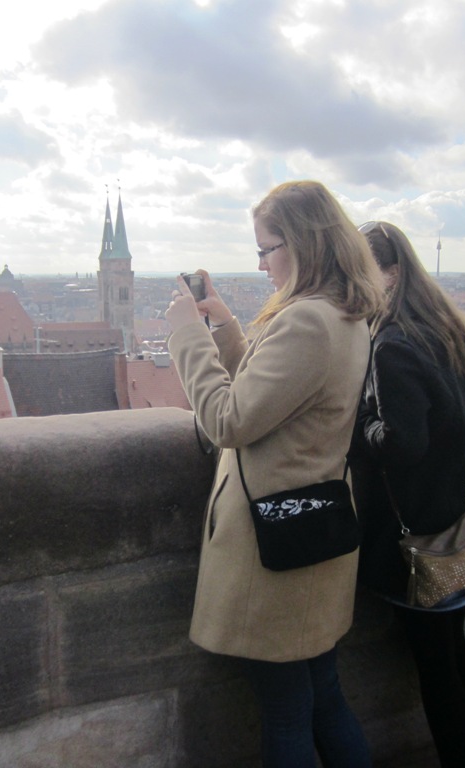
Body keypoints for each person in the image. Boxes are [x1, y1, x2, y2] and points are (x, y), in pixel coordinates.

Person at [165, 181, 382, 768]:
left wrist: (185, 334)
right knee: (323, 699)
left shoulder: (307, 320)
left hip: (277, 549)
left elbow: (228, 419)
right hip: (314, 538)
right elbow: (279, 395)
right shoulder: (343, 313)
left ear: (303, 243)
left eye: (266, 249)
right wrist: (227, 329)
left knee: (288, 714)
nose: (261, 263)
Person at [349, 220, 465, 767]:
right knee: (457, 654)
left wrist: (363, 420)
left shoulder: (393, 343)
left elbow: (402, 446)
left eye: (361, 270)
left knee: (438, 668)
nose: (353, 282)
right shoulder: (447, 327)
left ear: (392, 273)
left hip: (424, 540)